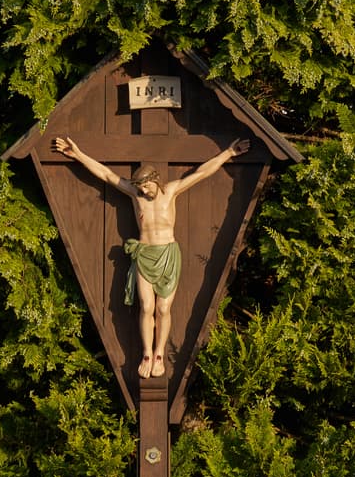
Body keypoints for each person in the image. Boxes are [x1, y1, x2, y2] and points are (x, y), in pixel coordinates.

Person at [50, 135, 249, 379]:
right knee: (146, 306)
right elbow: (106, 175)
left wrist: (228, 153)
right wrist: (78, 155)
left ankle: (159, 354)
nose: (143, 191)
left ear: (155, 180)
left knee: (163, 308)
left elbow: (202, 173)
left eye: (146, 187)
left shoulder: (172, 190)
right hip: (144, 255)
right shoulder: (136, 195)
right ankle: (147, 353)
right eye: (140, 188)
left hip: (168, 254)